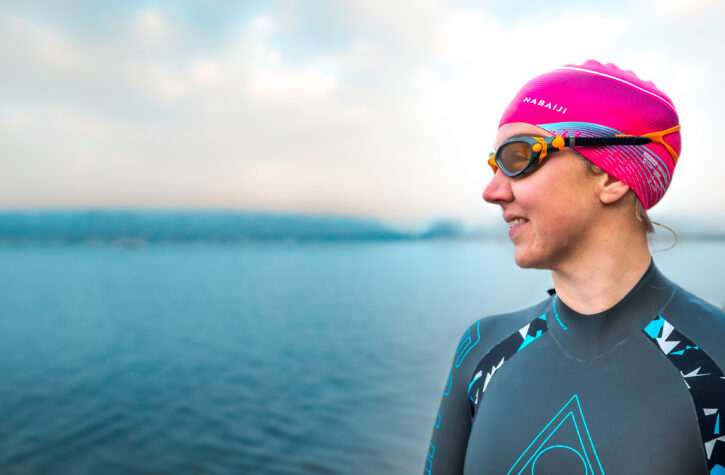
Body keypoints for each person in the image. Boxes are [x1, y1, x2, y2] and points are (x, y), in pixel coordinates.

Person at [424, 60, 725, 475]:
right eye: (494, 165)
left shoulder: (716, 358)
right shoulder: (481, 351)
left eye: (518, 157)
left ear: (611, 176)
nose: (491, 191)